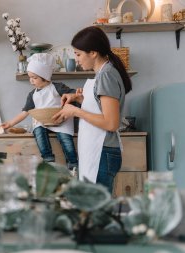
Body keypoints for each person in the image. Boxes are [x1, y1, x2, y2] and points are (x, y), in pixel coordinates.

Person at [52, 26, 132, 193]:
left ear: (93, 53)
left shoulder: (106, 75)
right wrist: (79, 98)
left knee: (97, 212)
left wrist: (75, 111)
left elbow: (111, 123)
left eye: (78, 54)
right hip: (99, 151)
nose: (77, 59)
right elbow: (100, 108)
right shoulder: (104, 73)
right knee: (92, 211)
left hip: (102, 152)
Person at [1, 53, 78, 172]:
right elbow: (25, 112)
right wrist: (10, 124)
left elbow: (73, 96)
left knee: (66, 140)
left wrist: (76, 94)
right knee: (38, 131)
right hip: (43, 122)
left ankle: (73, 165)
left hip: (61, 121)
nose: (31, 81)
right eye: (30, 77)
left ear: (45, 76)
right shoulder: (32, 95)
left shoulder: (58, 87)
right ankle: (48, 159)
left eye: (34, 77)